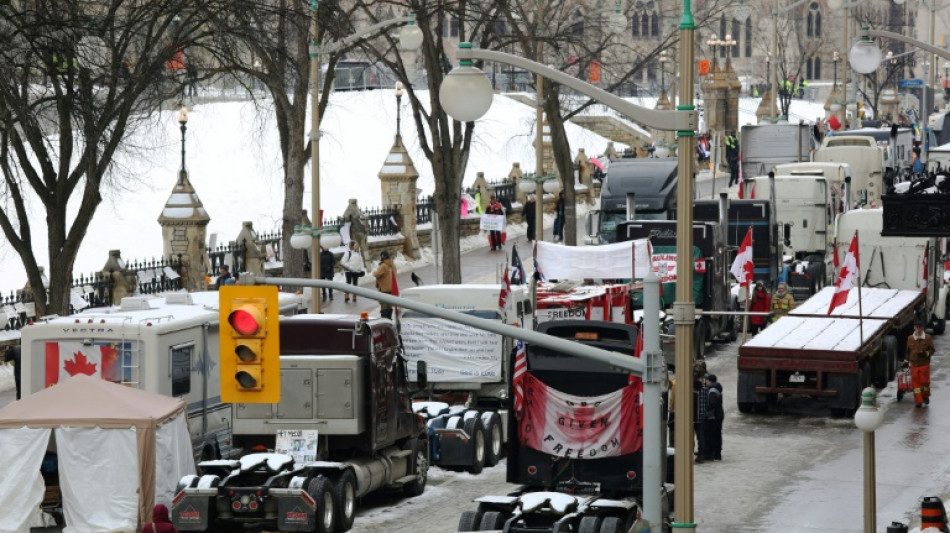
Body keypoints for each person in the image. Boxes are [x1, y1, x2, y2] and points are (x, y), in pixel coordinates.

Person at [906, 319, 935, 408]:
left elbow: (932, 350)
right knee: (916, 384)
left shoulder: (928, 338)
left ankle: (925, 396)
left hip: (924, 364)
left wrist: (926, 353)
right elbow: (908, 351)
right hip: (914, 365)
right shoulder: (910, 338)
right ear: (914, 328)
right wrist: (906, 361)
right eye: (917, 327)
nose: (918, 329)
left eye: (920, 327)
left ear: (922, 328)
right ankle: (918, 401)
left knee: (925, 382)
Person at [704, 374, 724, 461]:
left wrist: (706, 411)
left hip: (715, 416)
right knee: (718, 434)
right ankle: (718, 454)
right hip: (719, 414)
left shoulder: (712, 390)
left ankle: (714, 454)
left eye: (706, 380)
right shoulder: (716, 388)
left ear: (710, 381)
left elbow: (712, 403)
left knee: (713, 435)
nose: (705, 382)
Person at [373, 251, 397, 319]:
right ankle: (389, 320)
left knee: (384, 309)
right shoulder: (392, 265)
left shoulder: (383, 266)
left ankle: (384, 322)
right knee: (389, 308)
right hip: (391, 289)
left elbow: (377, 274)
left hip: (384, 290)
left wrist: (374, 272)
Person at [693, 364, 709, 463]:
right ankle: (701, 454)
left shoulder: (691, 389)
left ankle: (689, 454)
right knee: (701, 436)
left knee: (690, 437)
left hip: (692, 417)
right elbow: (707, 403)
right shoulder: (704, 389)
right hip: (701, 416)